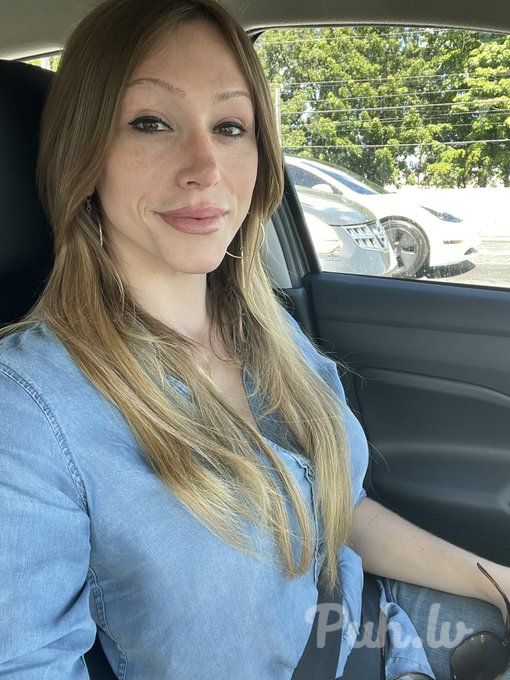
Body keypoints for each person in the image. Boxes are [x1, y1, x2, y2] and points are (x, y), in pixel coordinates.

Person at [0, 0, 508, 678]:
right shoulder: (30, 407)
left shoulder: (269, 331)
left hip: (389, 639)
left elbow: (339, 512)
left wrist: (497, 581)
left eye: (231, 126)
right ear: (83, 152)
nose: (206, 167)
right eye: (151, 122)